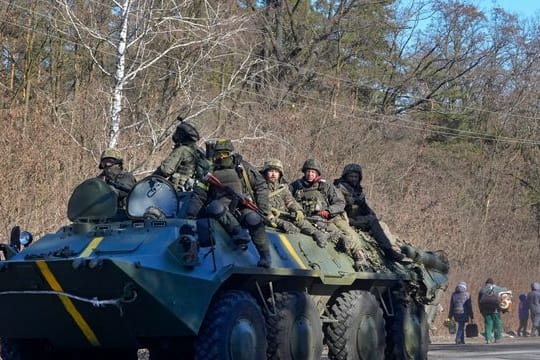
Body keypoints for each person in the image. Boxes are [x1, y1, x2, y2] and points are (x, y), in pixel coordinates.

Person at [186, 138, 272, 268]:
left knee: (254, 219)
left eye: (224, 154)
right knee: (215, 207)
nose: (221, 157)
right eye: (218, 154)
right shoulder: (210, 171)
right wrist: (191, 215)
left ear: (231, 153)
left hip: (241, 207)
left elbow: (260, 186)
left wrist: (264, 209)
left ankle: (265, 255)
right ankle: (238, 233)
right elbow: (200, 194)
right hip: (220, 212)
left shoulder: (242, 168)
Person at [289, 159, 367, 271]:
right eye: (308, 171)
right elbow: (286, 196)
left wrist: (329, 210)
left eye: (313, 172)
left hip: (332, 217)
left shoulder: (326, 186)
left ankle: (359, 257)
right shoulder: (296, 186)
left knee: (350, 235)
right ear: (304, 172)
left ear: (317, 173)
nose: (310, 174)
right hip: (309, 217)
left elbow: (340, 202)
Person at [333, 163, 406, 261]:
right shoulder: (339, 188)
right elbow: (339, 205)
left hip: (356, 218)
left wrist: (372, 215)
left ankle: (394, 249)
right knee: (371, 220)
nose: (354, 179)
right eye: (351, 176)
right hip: (345, 218)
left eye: (356, 176)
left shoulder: (357, 190)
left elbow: (364, 207)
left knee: (382, 224)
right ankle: (388, 251)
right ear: (345, 176)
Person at [260, 158, 332, 245]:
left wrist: (297, 210)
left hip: (284, 215)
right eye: (271, 171)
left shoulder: (282, 188)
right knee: (291, 228)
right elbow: (261, 209)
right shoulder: (259, 187)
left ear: (280, 174)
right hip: (270, 218)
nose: (273, 174)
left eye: (276, 172)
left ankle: (317, 234)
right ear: (265, 172)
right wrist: (280, 222)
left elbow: (290, 200)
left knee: (299, 220)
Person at [154, 119, 209, 191]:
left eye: (178, 132)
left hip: (177, 192)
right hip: (190, 192)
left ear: (183, 135)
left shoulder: (182, 150)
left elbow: (165, 170)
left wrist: (149, 180)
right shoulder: (197, 151)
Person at [478, 278, 504, 344]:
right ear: (493, 283)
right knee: (497, 324)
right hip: (495, 310)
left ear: (486, 283)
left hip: (485, 310)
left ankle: (488, 339)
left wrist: (481, 309)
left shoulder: (482, 290)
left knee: (488, 324)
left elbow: (479, 301)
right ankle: (497, 338)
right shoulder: (496, 289)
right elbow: (505, 290)